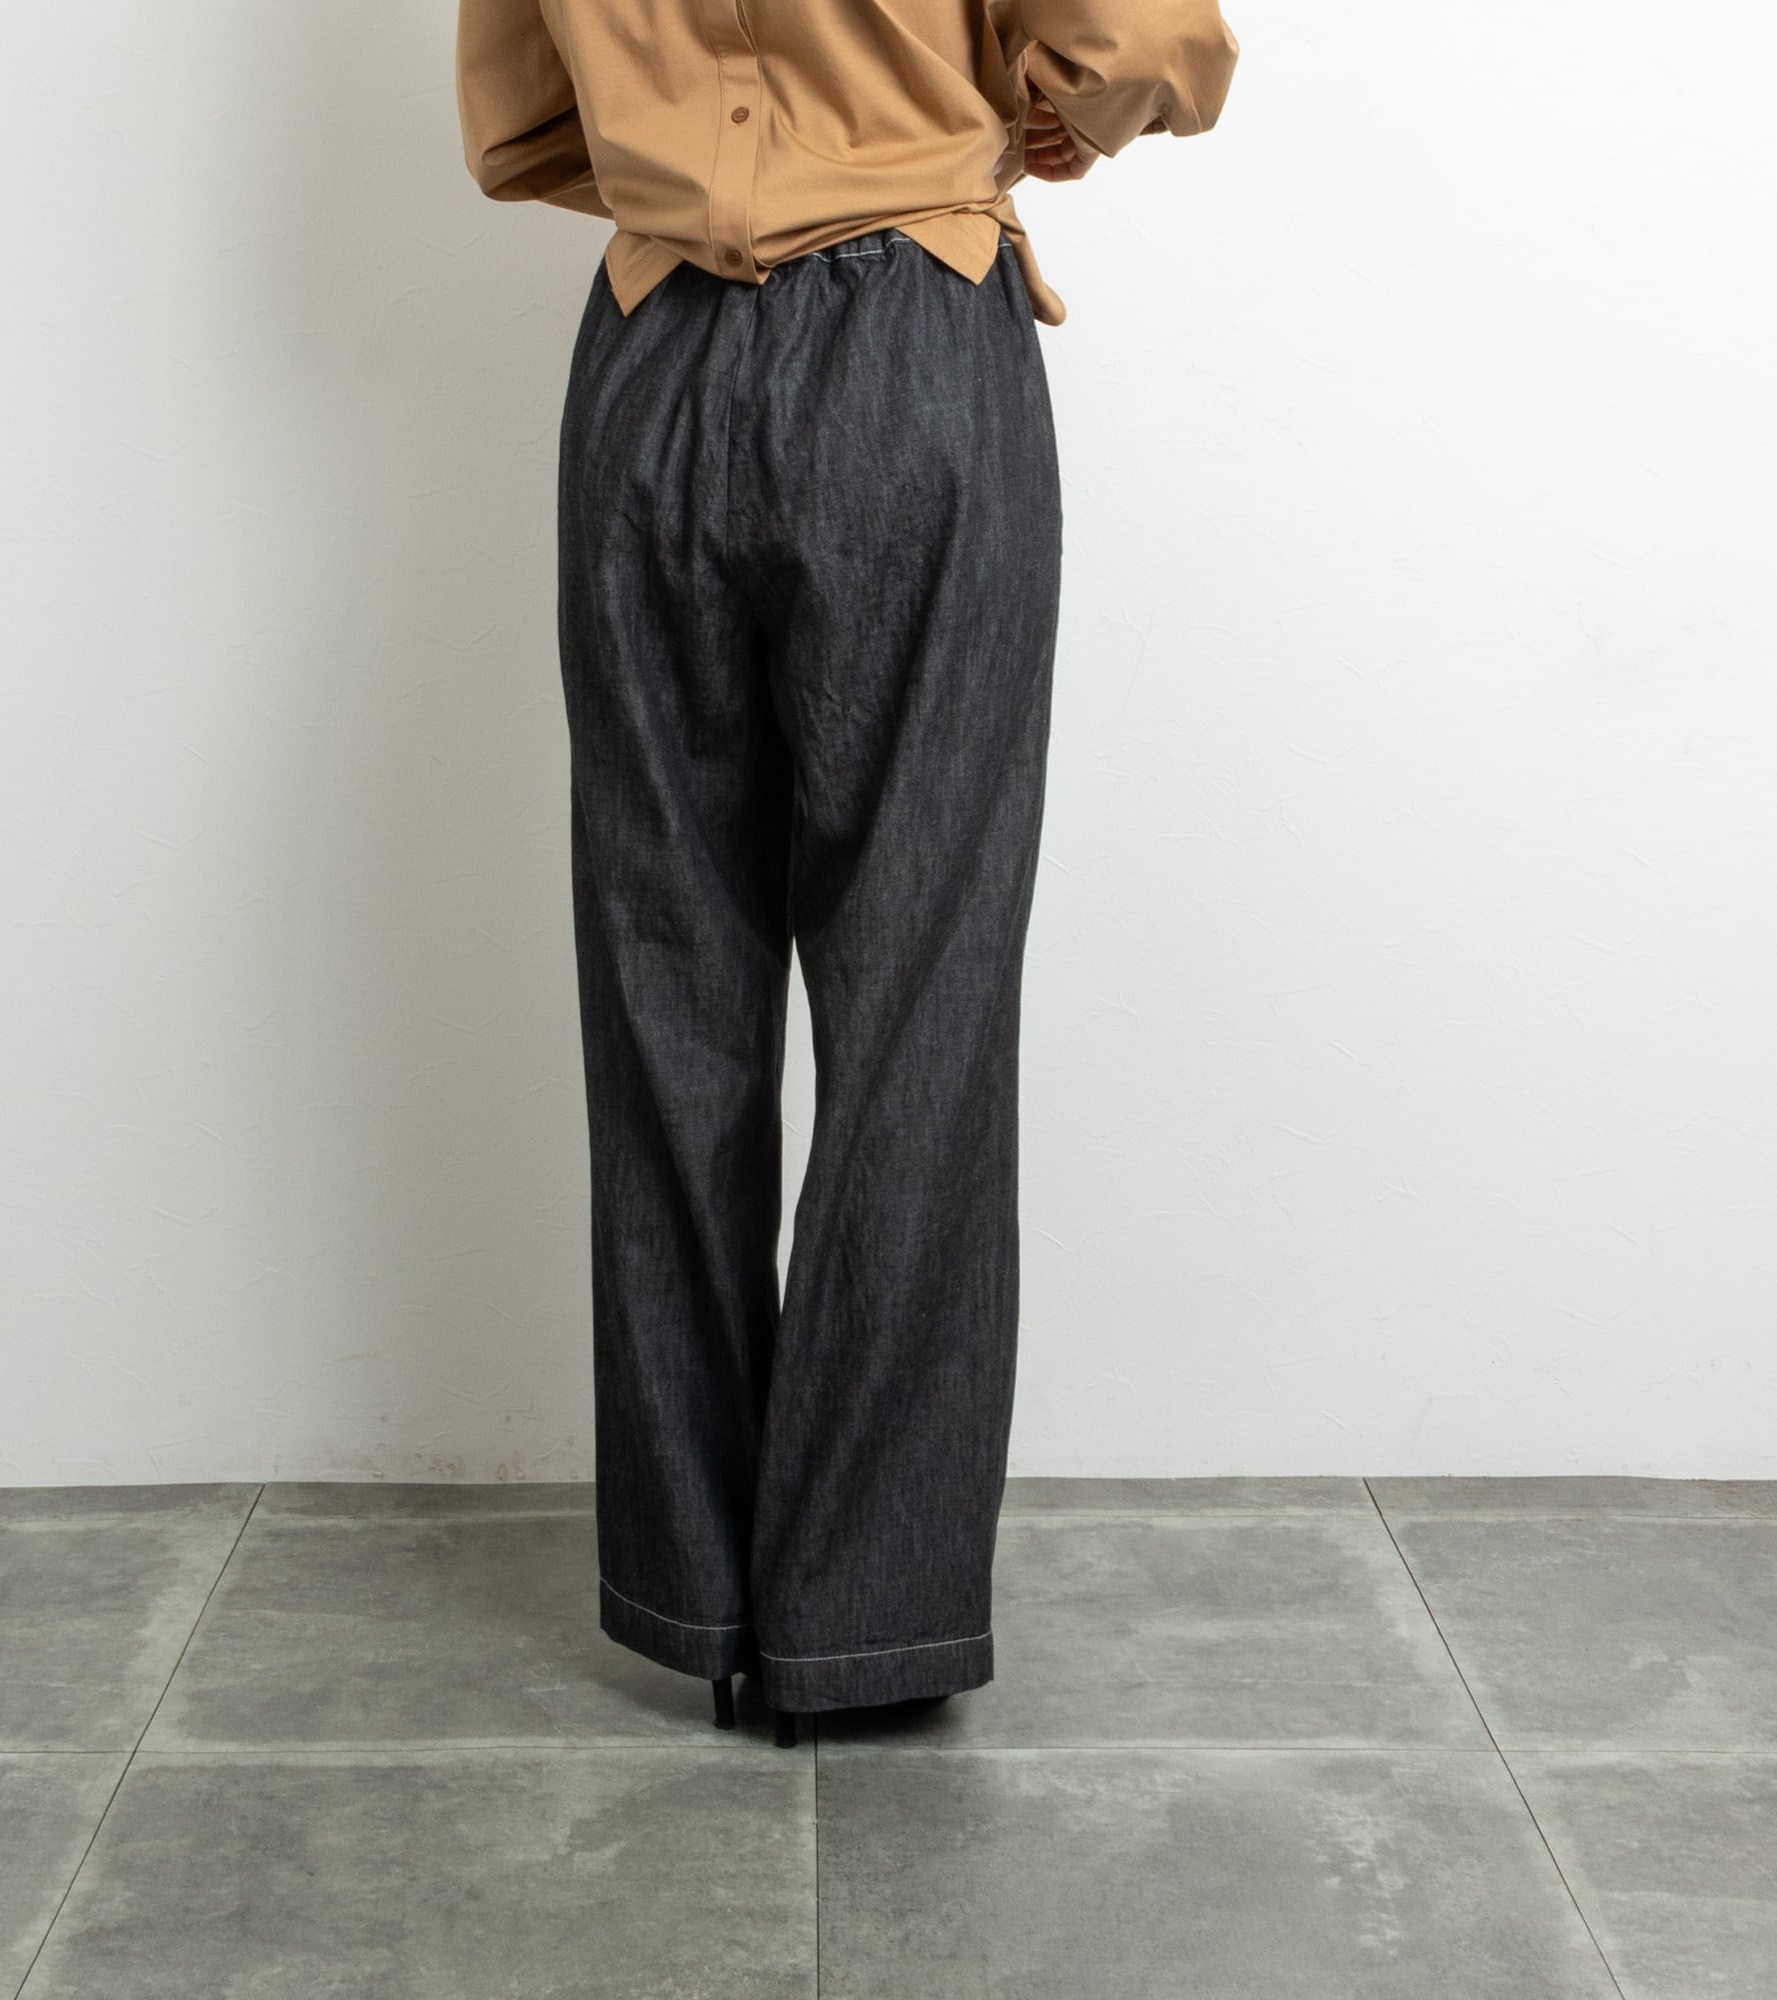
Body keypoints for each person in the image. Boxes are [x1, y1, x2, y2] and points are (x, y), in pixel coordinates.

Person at [456, 0, 1238, 1746]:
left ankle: (701, 1601)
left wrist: (698, 146)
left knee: (664, 985)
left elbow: (520, 130)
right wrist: (1021, 117)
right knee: (920, 999)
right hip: (912, 350)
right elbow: (1137, 43)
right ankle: (861, 1623)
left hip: (649, 365)